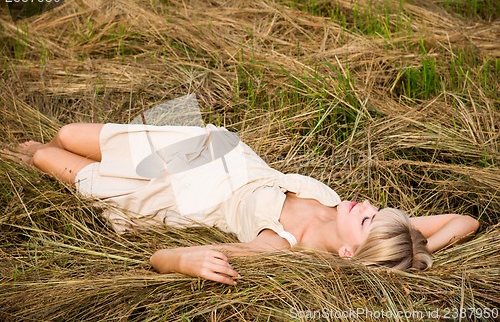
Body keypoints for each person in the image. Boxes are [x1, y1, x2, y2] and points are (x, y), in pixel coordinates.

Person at [2, 123, 480, 285]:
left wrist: (181, 261)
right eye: (378, 211)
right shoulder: (357, 225)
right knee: (67, 134)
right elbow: (466, 221)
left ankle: (21, 156)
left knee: (45, 154)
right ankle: (30, 151)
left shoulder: (285, 244)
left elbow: (157, 259)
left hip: (178, 193)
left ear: (348, 255)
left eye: (370, 220)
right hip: (209, 148)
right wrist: (415, 253)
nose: (368, 205)